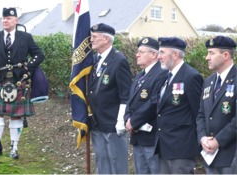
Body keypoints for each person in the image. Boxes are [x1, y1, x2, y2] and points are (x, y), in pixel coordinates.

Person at [0, 8, 45, 159]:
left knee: (15, 116)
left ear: (16, 21)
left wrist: (28, 67)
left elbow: (39, 54)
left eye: (9, 18)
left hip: (18, 82)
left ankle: (14, 148)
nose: (5, 21)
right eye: (4, 18)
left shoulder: (25, 37)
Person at [87, 23, 132, 174]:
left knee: (117, 163)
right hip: (97, 122)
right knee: (102, 161)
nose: (91, 40)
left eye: (94, 37)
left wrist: (121, 120)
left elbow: (126, 94)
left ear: (106, 39)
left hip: (113, 123)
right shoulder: (94, 59)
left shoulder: (119, 60)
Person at [155, 37, 203, 174]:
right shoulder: (166, 76)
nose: (159, 57)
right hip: (164, 144)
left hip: (181, 147)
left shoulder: (191, 76)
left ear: (175, 55)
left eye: (162, 52)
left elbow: (198, 112)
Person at [124, 37, 167, 174]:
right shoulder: (141, 75)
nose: (137, 55)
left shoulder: (161, 73)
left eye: (141, 52)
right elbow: (130, 101)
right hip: (137, 135)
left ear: (154, 54)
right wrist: (127, 119)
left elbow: (154, 102)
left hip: (152, 136)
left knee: (155, 170)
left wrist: (134, 121)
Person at [196, 35, 236, 174]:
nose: (207, 57)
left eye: (211, 53)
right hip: (210, 155)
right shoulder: (209, 82)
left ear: (225, 55)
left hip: (231, 155)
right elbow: (201, 114)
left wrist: (218, 140)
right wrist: (202, 138)